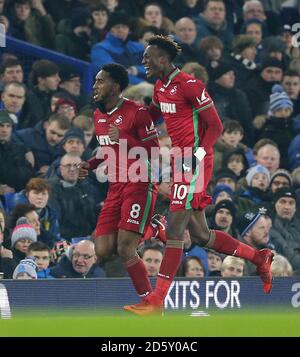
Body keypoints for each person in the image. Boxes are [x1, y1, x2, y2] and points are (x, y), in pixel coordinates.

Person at [124, 35, 274, 316]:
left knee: (176, 227)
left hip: (195, 161)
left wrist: (198, 155)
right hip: (180, 161)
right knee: (201, 235)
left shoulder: (190, 85)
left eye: (148, 57)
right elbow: (154, 113)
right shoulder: (160, 87)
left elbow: (215, 127)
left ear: (164, 59)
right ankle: (258, 257)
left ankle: (157, 300)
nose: (143, 61)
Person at [79, 63, 158, 299]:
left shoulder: (138, 112)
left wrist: (124, 136)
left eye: (100, 81)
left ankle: (150, 302)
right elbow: (107, 150)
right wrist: (90, 164)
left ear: (115, 86)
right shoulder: (98, 115)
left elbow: (154, 151)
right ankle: (154, 228)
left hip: (138, 183)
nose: (95, 86)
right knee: (103, 250)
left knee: (125, 248)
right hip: (115, 188)